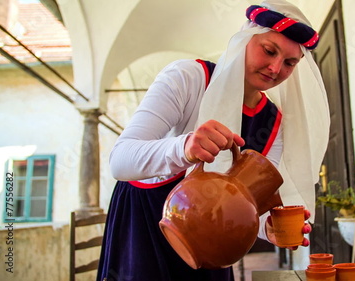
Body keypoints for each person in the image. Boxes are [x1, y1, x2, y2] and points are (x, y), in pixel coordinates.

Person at [97, 0, 330, 280]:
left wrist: (267, 227)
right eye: (269, 50)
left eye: (290, 63)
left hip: (213, 244)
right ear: (245, 40)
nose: (275, 67)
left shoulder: (273, 122)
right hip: (145, 228)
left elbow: (247, 201)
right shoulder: (188, 78)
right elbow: (120, 161)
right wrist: (185, 148)